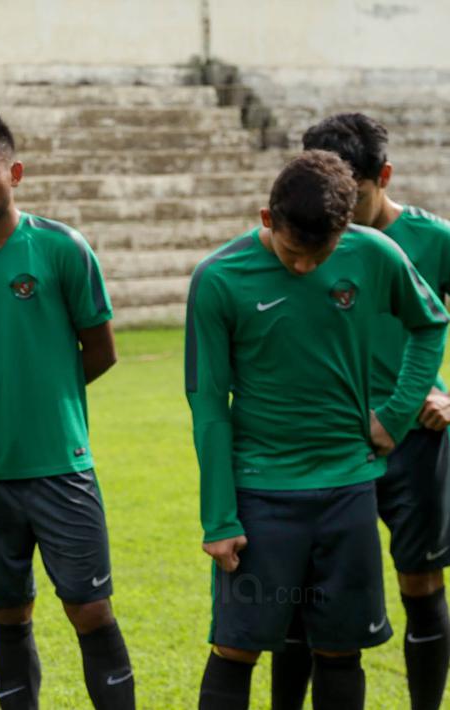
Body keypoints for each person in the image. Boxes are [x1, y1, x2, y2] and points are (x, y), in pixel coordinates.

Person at [186, 150, 449, 710]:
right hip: (261, 496)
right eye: (291, 252)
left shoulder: (375, 253)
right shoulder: (218, 279)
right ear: (266, 219)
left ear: (345, 228)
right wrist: (219, 516)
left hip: (347, 492)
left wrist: (396, 415)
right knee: (234, 648)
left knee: (340, 651)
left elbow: (430, 323)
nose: (304, 267)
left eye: (320, 253)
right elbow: (208, 403)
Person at [0, 112, 133, 710]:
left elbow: (102, 350)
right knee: (8, 613)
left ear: (13, 172)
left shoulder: (62, 249)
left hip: (60, 466)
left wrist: (44, 399)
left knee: (90, 610)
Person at [264, 113, 450, 710]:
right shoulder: (302, 240)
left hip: (411, 440)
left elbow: (431, 324)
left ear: (383, 177)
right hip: (324, 444)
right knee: (299, 595)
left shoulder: (434, 241)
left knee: (419, 583)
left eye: (354, 193)